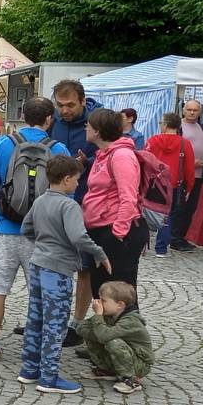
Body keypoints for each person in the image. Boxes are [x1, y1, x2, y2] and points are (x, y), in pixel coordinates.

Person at [0, 97, 70, 363]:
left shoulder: (5, 143)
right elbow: (66, 193)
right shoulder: (59, 148)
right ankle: (36, 345)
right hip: (42, 233)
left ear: (22, 115)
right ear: (49, 119)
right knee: (39, 291)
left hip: (5, 226)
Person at [18, 155, 111, 394]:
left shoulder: (40, 201)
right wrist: (99, 253)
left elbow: (26, 229)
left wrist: (43, 243)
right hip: (57, 269)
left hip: (38, 264)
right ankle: (49, 377)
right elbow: (78, 237)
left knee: (35, 318)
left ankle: (30, 369)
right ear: (67, 179)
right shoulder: (69, 205)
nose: (79, 185)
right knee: (56, 323)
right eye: (78, 180)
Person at [49, 79, 102, 345]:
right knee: (52, 261)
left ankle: (77, 325)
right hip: (54, 203)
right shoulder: (52, 120)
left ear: (83, 100)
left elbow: (111, 154)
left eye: (70, 105)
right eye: (60, 105)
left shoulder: (98, 121)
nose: (65, 110)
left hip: (86, 204)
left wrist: (86, 163)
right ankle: (49, 319)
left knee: (84, 266)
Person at [83, 108, 148, 298]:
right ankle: (105, 327)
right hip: (101, 230)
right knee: (101, 290)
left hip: (116, 232)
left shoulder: (121, 156)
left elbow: (128, 197)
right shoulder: (103, 154)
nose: (85, 127)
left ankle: (127, 327)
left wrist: (117, 233)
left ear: (97, 130)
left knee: (119, 293)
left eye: (89, 124)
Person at [77, 281, 154, 395]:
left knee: (112, 341)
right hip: (124, 356)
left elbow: (104, 336)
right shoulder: (109, 314)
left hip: (140, 364)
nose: (99, 303)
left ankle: (130, 379)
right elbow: (81, 328)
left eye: (103, 301)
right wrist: (99, 331)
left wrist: (98, 318)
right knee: (97, 334)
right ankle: (107, 370)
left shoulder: (131, 321)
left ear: (120, 305)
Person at [145, 112, 195, 258]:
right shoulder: (185, 143)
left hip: (155, 183)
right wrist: (189, 187)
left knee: (147, 211)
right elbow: (189, 169)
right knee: (168, 215)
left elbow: (145, 161)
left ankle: (142, 244)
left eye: (161, 123)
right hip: (174, 185)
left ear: (165, 125)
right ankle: (161, 249)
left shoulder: (153, 140)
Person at [172, 100, 203, 252]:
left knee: (191, 208)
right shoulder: (178, 127)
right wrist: (188, 162)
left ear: (200, 112)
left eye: (195, 110)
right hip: (182, 175)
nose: (192, 112)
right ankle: (175, 238)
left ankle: (181, 237)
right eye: (189, 109)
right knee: (180, 207)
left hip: (198, 174)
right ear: (183, 110)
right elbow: (174, 150)